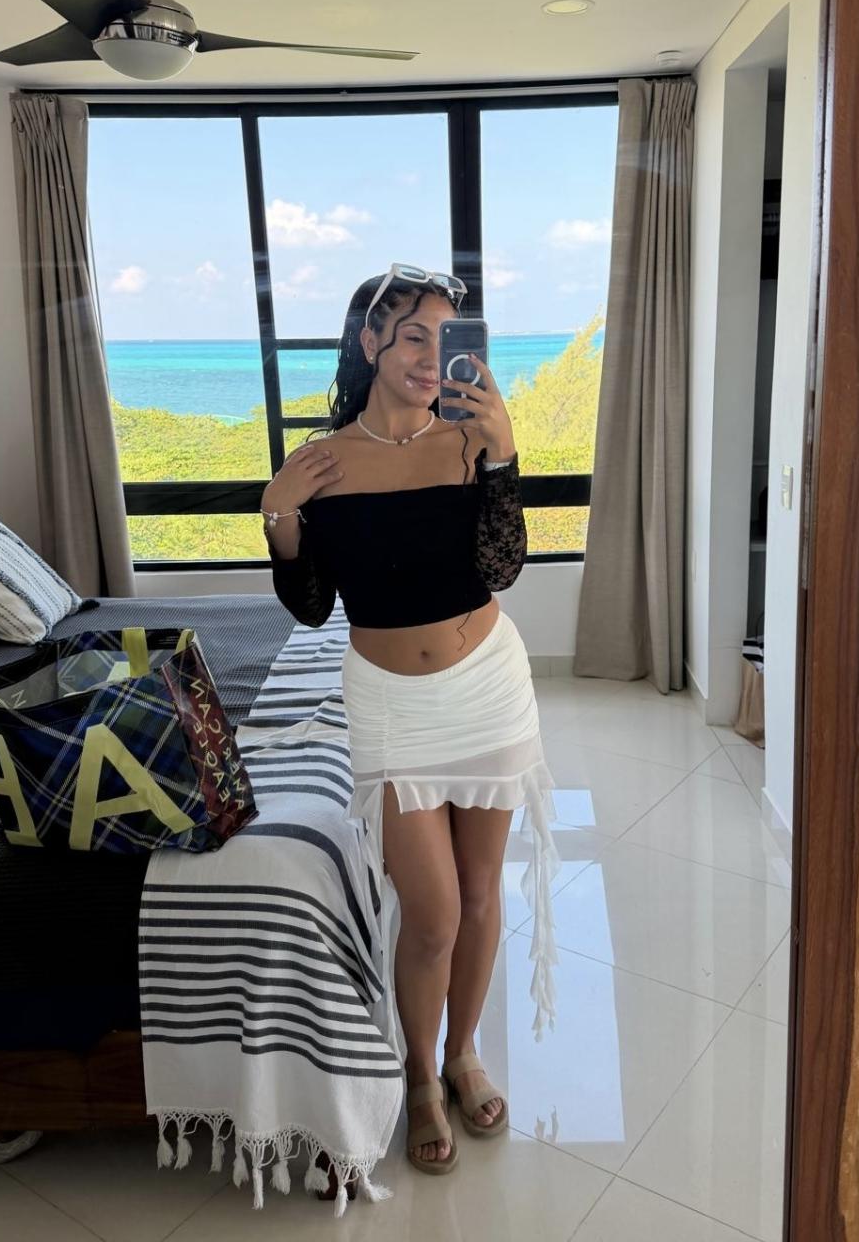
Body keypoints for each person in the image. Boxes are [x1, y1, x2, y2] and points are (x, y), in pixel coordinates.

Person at [260, 265, 560, 1178]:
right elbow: (312, 605)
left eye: (446, 337)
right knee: (430, 915)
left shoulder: (469, 441)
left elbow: (501, 568)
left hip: (488, 690)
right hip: (392, 708)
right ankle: (418, 1071)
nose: (433, 357)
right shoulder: (325, 462)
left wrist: (503, 456)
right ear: (369, 344)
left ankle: (462, 1054)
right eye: (413, 336)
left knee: (480, 895)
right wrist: (278, 512)